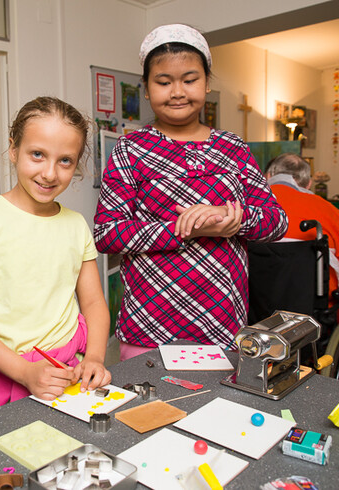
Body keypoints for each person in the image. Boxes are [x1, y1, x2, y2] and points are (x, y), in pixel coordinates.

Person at [94, 24, 288, 361]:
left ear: (207, 83)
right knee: (148, 412)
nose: (177, 91)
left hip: (224, 324)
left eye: (189, 79)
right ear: (146, 88)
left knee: (218, 412)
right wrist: (185, 227)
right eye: (163, 82)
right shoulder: (130, 149)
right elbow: (107, 234)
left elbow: (277, 221)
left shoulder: (233, 148)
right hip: (150, 324)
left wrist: (232, 219)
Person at [0, 96, 112, 416]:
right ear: (13, 149)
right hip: (5, 373)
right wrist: (25, 373)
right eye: (37, 155)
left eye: (65, 161)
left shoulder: (75, 224)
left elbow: (94, 303)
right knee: (4, 462)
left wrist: (96, 358)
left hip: (67, 373)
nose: (49, 173)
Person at [265, 152, 339, 297]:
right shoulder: (329, 211)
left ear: (268, 176)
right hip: (317, 305)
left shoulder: (246, 207)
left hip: (254, 307)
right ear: (309, 183)